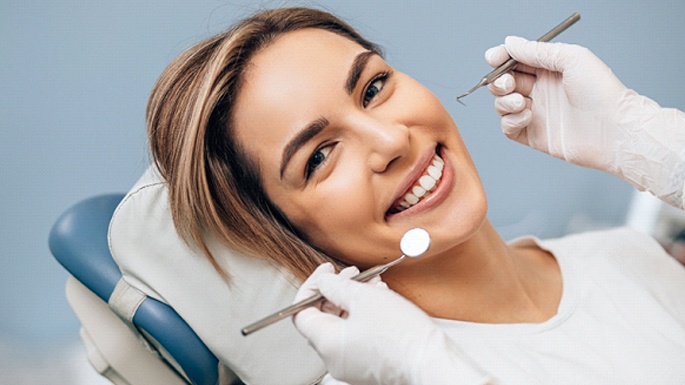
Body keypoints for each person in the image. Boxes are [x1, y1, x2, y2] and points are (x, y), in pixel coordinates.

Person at [144, 7, 685, 385]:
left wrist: (653, 147)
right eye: (318, 156)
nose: (391, 139)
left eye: (374, 88)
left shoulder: (626, 256)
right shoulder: (388, 372)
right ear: (283, 229)